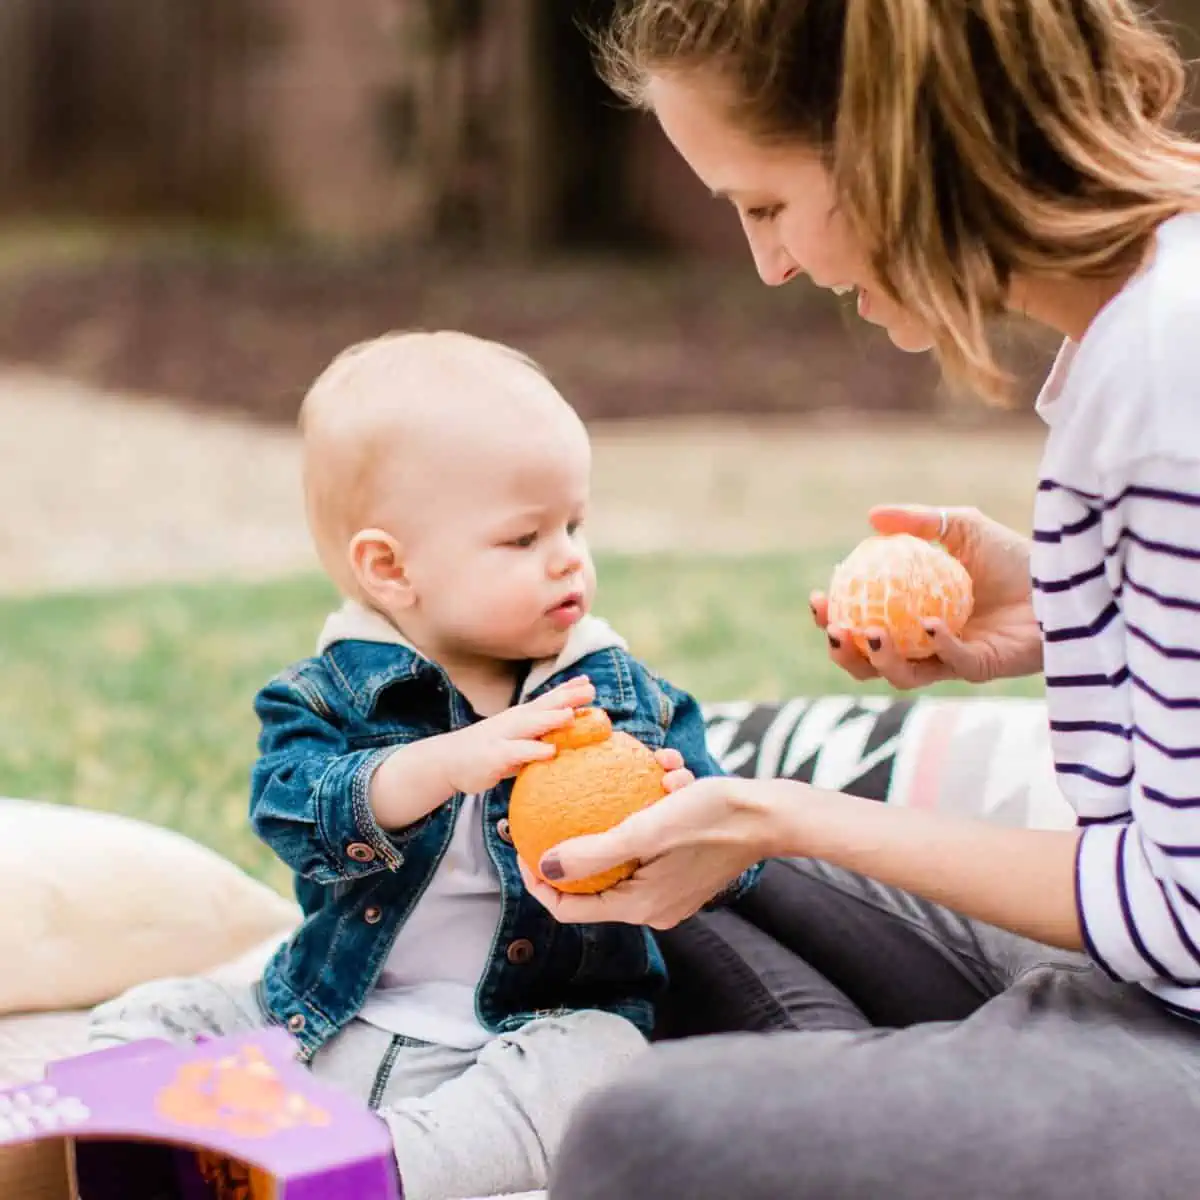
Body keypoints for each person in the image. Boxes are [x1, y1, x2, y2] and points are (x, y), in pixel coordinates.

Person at [531, 3, 1200, 1197]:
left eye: (767, 206)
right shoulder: (1154, 326)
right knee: (651, 862)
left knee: (639, 1135)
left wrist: (789, 816)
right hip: (1144, 988)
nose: (769, 264)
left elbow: (1180, 914)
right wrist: (1070, 607)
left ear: (894, 138)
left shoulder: (1165, 379)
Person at [86, 329, 760, 1200]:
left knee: (608, 1067)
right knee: (156, 1013)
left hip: (518, 1038)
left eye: (574, 524)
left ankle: (382, 1166)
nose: (568, 558)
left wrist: (682, 820)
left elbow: (724, 858)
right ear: (391, 568)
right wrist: (444, 763)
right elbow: (293, 816)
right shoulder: (329, 695)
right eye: (523, 538)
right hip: (328, 1014)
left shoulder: (622, 698)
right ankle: (122, 1132)